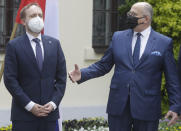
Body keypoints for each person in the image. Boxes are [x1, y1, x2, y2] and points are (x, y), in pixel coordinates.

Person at [69, 2, 181, 131]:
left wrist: (175, 106)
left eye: (133, 14)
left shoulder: (164, 43)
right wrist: (82, 74)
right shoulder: (118, 37)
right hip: (118, 106)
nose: (129, 16)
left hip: (147, 107)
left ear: (146, 19)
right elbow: (103, 65)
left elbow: (172, 79)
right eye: (129, 13)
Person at [4, 3, 67, 131]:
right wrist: (30, 105)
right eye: (33, 16)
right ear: (23, 21)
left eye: (40, 15)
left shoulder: (54, 44)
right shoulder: (14, 46)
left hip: (49, 116)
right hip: (24, 116)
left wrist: (54, 103)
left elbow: (61, 78)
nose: (38, 18)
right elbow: (10, 80)